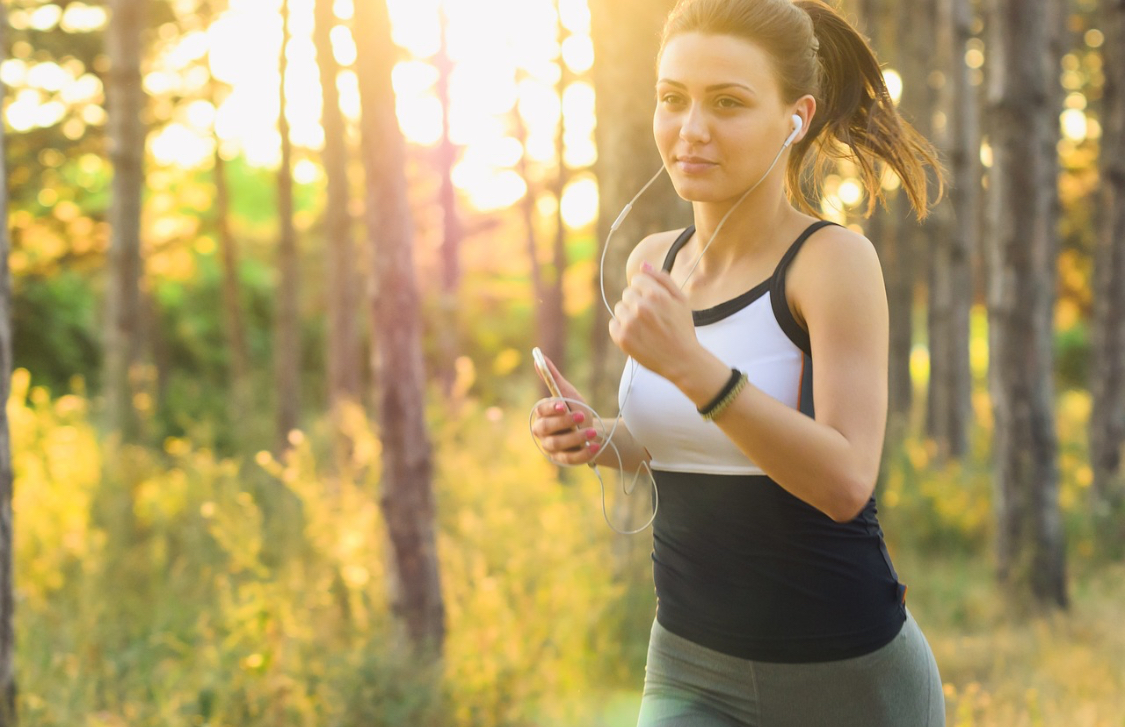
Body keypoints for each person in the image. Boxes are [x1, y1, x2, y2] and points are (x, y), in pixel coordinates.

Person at [530, 0, 946, 724]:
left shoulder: (829, 262)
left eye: (727, 103)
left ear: (795, 116)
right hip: (690, 666)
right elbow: (694, 441)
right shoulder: (651, 260)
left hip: (848, 678)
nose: (691, 130)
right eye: (672, 99)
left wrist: (694, 368)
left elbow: (846, 480)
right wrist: (599, 438)